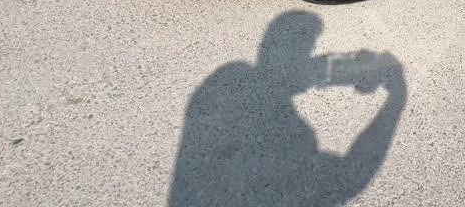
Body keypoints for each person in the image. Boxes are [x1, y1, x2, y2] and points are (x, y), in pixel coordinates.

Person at [168, 11, 406, 207]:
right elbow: (351, 176)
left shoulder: (231, 75)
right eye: (308, 43)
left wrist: (349, 67)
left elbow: (284, 78)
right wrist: (395, 100)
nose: (309, 49)